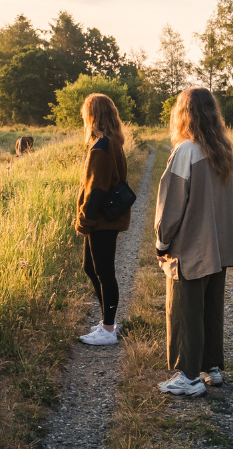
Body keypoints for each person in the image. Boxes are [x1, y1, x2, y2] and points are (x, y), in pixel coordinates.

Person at [154, 87, 233, 397]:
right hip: (217, 249)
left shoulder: (187, 151)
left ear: (184, 114)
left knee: (185, 309)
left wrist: (161, 243)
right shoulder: (222, 149)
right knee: (210, 308)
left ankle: (189, 376)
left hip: (192, 248)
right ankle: (211, 368)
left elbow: (171, 206)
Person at [75, 93, 130, 346]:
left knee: (104, 272)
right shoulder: (112, 142)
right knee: (91, 267)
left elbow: (95, 189)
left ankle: (108, 329)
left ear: (93, 115)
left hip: (102, 220)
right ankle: (108, 322)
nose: (84, 118)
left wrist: (84, 222)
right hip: (105, 219)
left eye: (86, 113)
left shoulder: (102, 147)